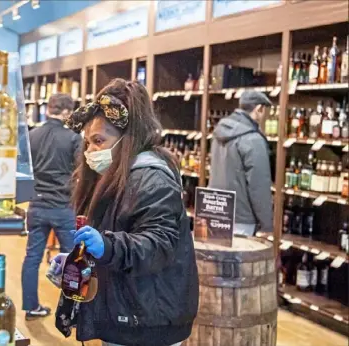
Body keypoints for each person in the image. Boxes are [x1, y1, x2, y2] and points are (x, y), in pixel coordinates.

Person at [51, 79, 199, 346]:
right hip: (128, 313)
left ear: (127, 137)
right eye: (87, 142)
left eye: (98, 141)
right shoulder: (114, 175)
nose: (90, 151)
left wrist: (106, 246)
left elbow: (156, 245)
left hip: (148, 323)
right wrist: (79, 262)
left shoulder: (152, 179)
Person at [21, 93, 82, 320]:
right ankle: (72, 312)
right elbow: (81, 172)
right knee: (73, 261)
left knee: (31, 258)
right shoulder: (73, 138)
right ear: (67, 112)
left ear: (48, 109)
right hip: (63, 207)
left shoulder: (31, 135)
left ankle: (31, 307)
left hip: (36, 205)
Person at [208, 90, 274, 236]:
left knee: (214, 257)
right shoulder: (253, 139)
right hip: (241, 219)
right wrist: (267, 225)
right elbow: (259, 185)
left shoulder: (219, 133)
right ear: (259, 109)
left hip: (214, 212)